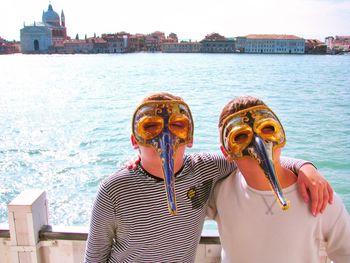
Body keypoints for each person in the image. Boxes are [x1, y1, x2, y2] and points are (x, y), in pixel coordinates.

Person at [84, 92, 333, 263]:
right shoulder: (114, 189)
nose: (165, 136)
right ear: (134, 140)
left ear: (190, 138)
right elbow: (95, 256)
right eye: (150, 127)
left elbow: (251, 156)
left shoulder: (205, 169)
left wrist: (305, 167)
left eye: (177, 125)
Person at [207, 95, 350, 263]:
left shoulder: (320, 198)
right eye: (239, 136)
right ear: (226, 152)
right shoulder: (219, 193)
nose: (258, 142)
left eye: (267, 128)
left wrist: (305, 166)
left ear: (281, 135)